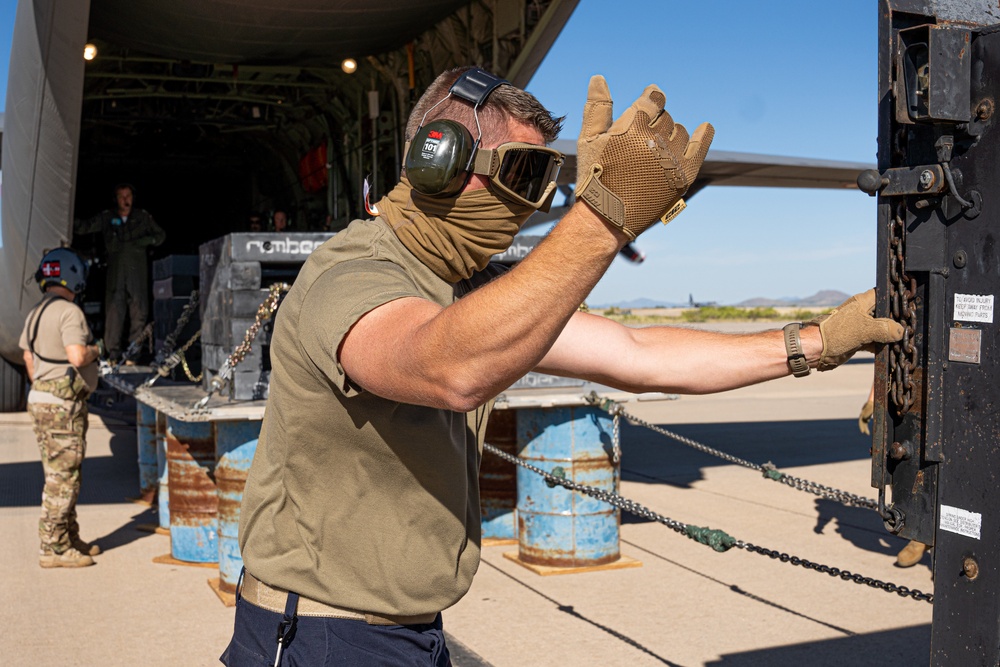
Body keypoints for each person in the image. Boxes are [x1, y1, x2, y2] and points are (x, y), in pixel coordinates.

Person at [223, 67, 903, 665]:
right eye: (522, 172)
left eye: (547, 180)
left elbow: (636, 354)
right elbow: (448, 366)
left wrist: (817, 340)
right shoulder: (353, 272)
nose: (534, 204)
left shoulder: (465, 294)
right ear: (441, 160)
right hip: (320, 639)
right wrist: (603, 215)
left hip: (407, 635)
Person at [20, 248, 104, 568]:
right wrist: (97, 350)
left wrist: (45, 385)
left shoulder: (35, 312)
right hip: (61, 407)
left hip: (41, 399)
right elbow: (77, 355)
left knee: (65, 472)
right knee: (62, 477)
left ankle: (69, 536)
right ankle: (53, 548)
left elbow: (28, 359)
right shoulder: (70, 313)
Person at [74, 183, 166, 361]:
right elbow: (85, 227)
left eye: (128, 196)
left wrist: (146, 241)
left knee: (139, 311)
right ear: (115, 199)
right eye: (121, 196)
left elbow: (160, 235)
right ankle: (113, 354)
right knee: (114, 313)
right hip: (115, 274)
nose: (125, 200)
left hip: (136, 272)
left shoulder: (142, 217)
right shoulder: (108, 217)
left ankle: (133, 354)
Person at [858, 382, 930, 567]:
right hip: (911, 403)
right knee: (903, 468)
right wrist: (873, 401)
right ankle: (918, 533)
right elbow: (890, 360)